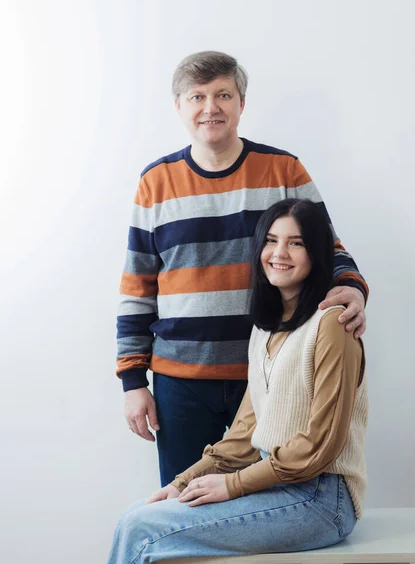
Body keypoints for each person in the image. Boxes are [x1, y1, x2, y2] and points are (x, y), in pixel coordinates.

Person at [116, 51, 369, 487]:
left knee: (256, 514)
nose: (210, 107)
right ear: (179, 106)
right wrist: (133, 381)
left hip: (272, 377)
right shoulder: (155, 182)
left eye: (223, 95)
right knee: (183, 507)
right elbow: (137, 287)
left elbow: (329, 248)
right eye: (197, 96)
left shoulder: (283, 170)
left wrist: (353, 287)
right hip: (182, 383)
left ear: (241, 104)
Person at [108, 198, 368, 562]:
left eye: (297, 242)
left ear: (317, 252)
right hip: (280, 485)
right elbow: (245, 435)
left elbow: (320, 445)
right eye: (271, 240)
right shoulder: (265, 328)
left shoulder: (333, 326)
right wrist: (182, 482)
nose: (280, 253)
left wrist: (233, 485)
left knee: (143, 533)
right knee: (136, 517)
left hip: (321, 499)